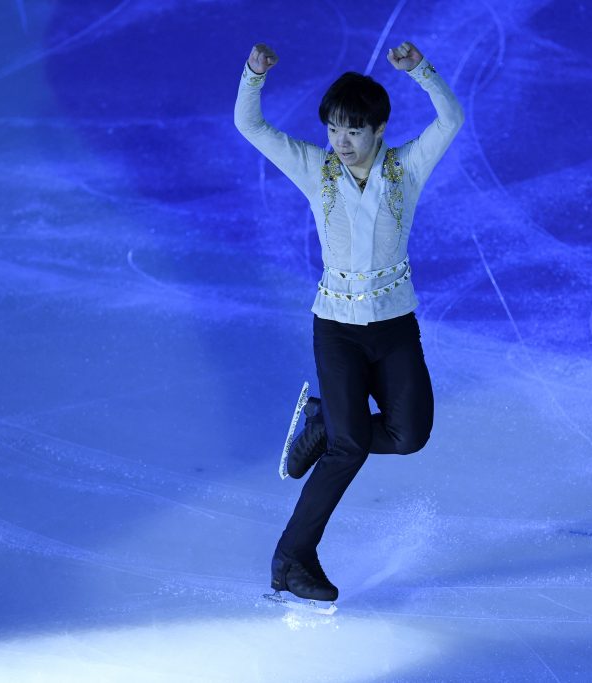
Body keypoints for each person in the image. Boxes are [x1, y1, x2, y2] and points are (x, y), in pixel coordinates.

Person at [234, 40, 464, 602]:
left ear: (379, 129)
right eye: (335, 129)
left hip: (393, 326)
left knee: (409, 436)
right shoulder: (319, 170)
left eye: (354, 131)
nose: (342, 142)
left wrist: (422, 73)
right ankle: (292, 560)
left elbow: (451, 118)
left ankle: (324, 419)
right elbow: (251, 126)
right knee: (350, 448)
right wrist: (253, 75)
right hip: (335, 326)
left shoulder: (405, 169)